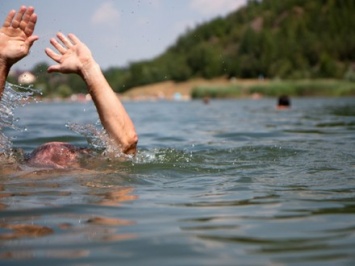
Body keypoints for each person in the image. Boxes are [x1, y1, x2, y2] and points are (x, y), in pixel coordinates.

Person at [0, 6, 138, 169]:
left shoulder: (13, 174)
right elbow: (126, 144)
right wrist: (89, 68)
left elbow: (127, 144)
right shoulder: (92, 177)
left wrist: (2, 61)